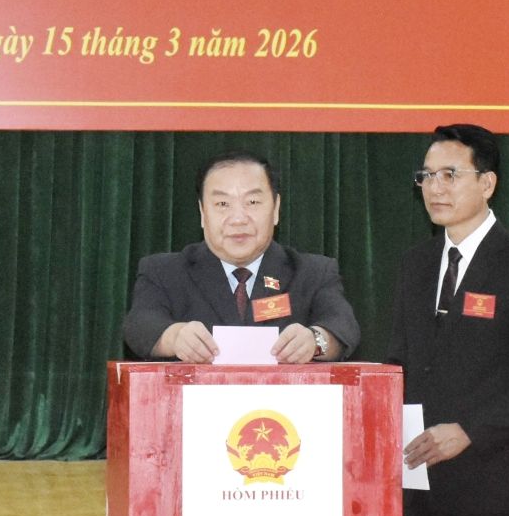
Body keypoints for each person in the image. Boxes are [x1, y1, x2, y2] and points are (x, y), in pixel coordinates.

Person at [387, 124, 509, 516]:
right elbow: (399, 361)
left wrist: (469, 430)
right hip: (413, 479)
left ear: (487, 183)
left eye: (450, 175)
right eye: (426, 176)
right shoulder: (415, 264)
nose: (435, 187)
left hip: (487, 481)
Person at [122, 153, 359, 363]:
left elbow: (342, 324)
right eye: (223, 204)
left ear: (276, 208)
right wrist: (175, 337)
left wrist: (315, 341)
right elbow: (140, 325)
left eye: (252, 202)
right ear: (203, 213)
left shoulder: (313, 273)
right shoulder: (164, 272)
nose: (238, 218)